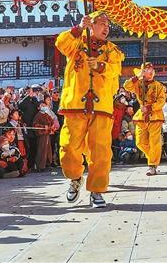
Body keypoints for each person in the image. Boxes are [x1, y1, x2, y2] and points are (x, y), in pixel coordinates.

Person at [56, 11, 124, 208]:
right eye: (101, 23)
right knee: (68, 147)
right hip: (75, 104)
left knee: (101, 151)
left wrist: (101, 66)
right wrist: (78, 28)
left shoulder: (112, 50)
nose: (106, 28)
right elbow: (61, 44)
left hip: (101, 106)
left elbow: (116, 71)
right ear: (91, 25)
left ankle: (97, 190)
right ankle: (75, 177)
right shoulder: (76, 42)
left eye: (108, 25)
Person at [123, 62, 166, 175]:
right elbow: (126, 86)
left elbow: (162, 101)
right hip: (142, 116)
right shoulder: (138, 83)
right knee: (140, 142)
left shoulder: (159, 85)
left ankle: (152, 165)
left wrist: (150, 107)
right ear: (143, 72)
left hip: (155, 116)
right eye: (147, 70)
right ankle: (153, 158)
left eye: (152, 70)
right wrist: (137, 77)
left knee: (154, 142)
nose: (151, 72)